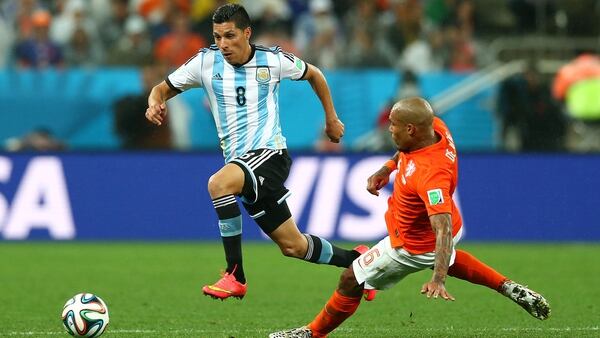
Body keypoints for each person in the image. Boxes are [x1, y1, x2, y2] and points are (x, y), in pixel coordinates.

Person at [269, 97, 551, 338]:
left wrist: (438, 279)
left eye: (393, 125)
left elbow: (443, 230)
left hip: (412, 246)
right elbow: (406, 152)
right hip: (430, 230)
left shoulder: (431, 176)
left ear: (411, 129)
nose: (389, 129)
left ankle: (311, 333)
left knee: (349, 279)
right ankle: (508, 287)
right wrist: (388, 167)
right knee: (449, 257)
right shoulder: (435, 128)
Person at [145, 3, 369, 301]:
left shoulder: (272, 60)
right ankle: (359, 262)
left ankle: (234, 275)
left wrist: (331, 118)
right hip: (240, 163)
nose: (223, 44)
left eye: (230, 36)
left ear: (247, 33)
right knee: (293, 246)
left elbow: (314, 74)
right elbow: (161, 88)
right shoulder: (205, 63)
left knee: (218, 184)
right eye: (217, 37)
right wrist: (154, 103)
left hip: (269, 155)